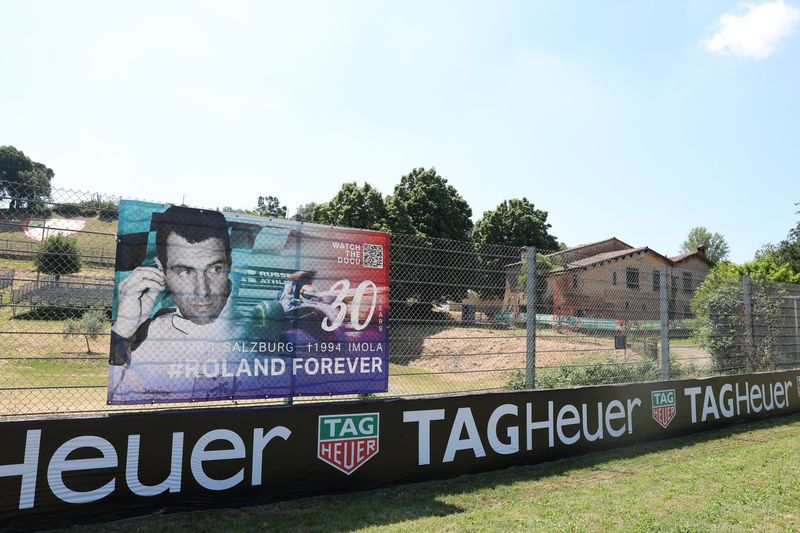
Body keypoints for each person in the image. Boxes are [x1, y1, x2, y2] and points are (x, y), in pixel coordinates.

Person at [108, 205, 241, 403]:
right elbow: (118, 395)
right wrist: (123, 331)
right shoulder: (152, 333)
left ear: (229, 263)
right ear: (162, 269)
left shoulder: (262, 324)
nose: (202, 291)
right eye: (185, 272)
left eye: (214, 269)